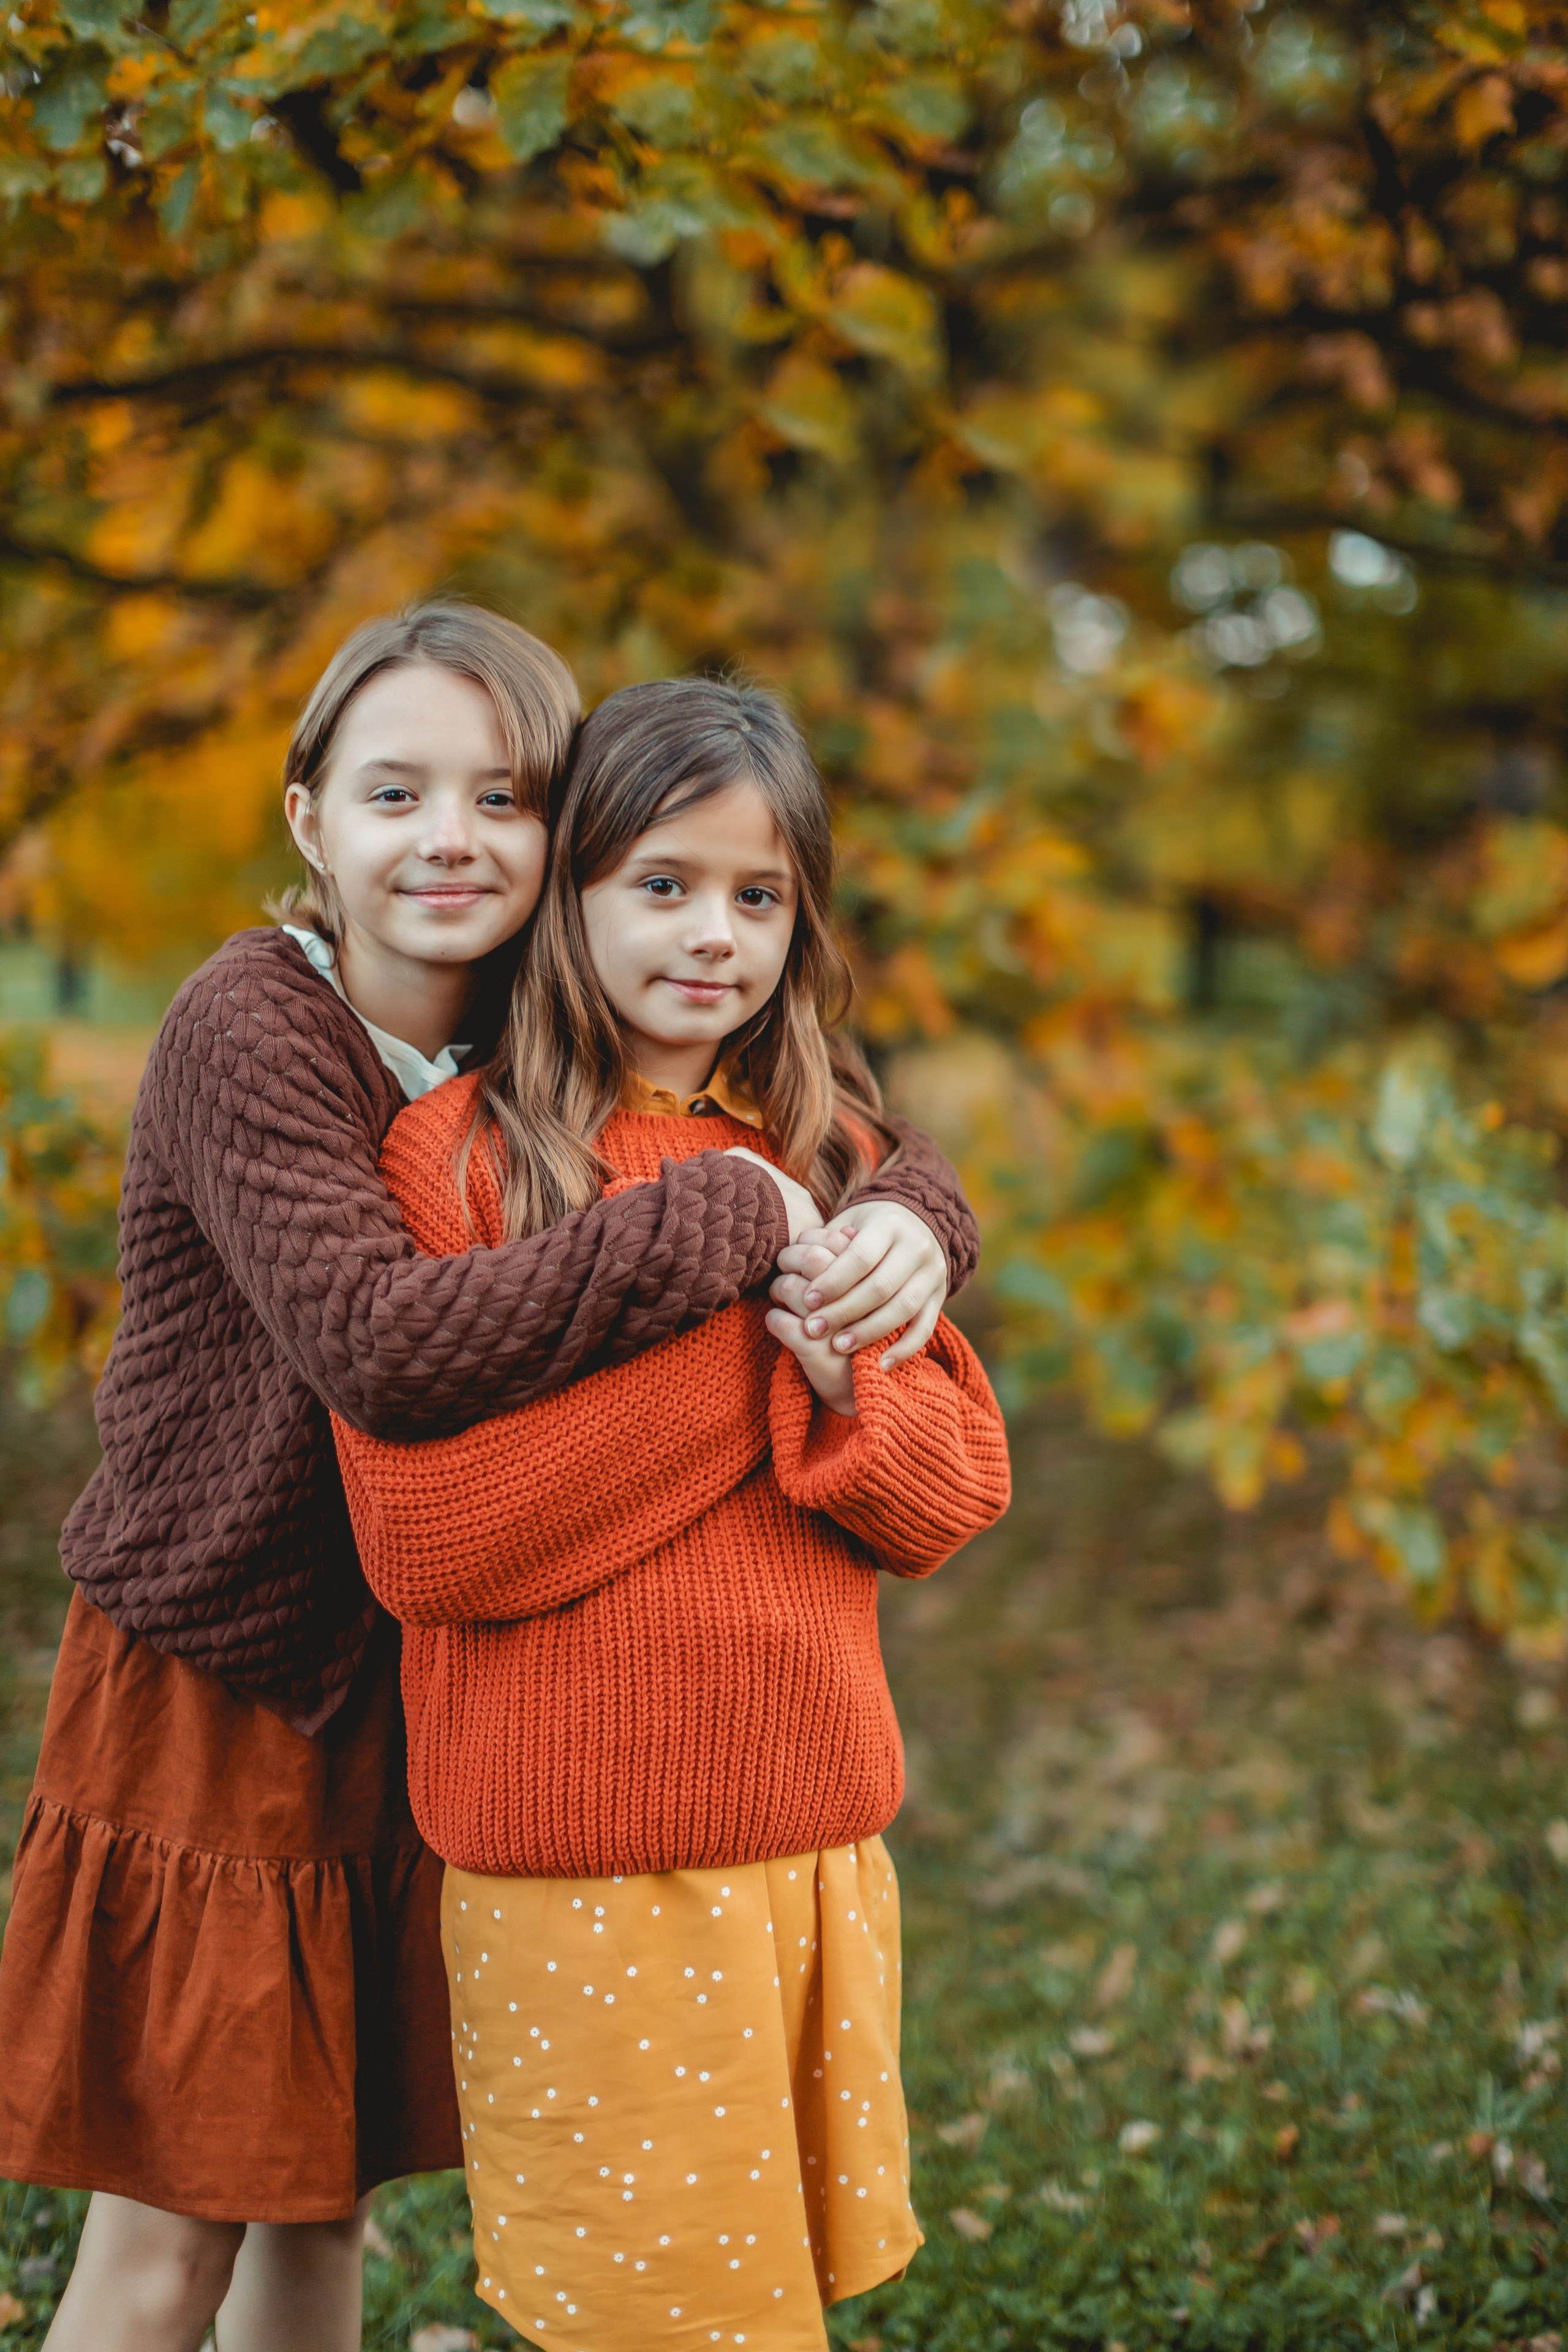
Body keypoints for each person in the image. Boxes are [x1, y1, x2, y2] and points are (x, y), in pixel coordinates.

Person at [0, 611, 981, 2352]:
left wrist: (914, 1215)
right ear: (311, 819)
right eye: (393, 791)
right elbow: (380, 1342)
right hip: (231, 1678)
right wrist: (740, 1227)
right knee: (177, 2232)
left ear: (563, 839)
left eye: (501, 796)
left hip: (417, 1692)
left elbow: (830, 1138)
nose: (447, 836)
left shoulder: (535, 1047)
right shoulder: (257, 1032)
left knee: (321, 2204)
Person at [333, 676, 1012, 2350]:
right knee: (651, 2319)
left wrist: (857, 1376)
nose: (714, 935)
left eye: (758, 895)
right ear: (564, 897)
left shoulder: (830, 1151)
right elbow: (435, 1546)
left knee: (772, 2308)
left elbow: (950, 1493)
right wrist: (753, 1362)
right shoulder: (457, 1163)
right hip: (580, 1863)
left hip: (805, 1834)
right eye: (662, 883)